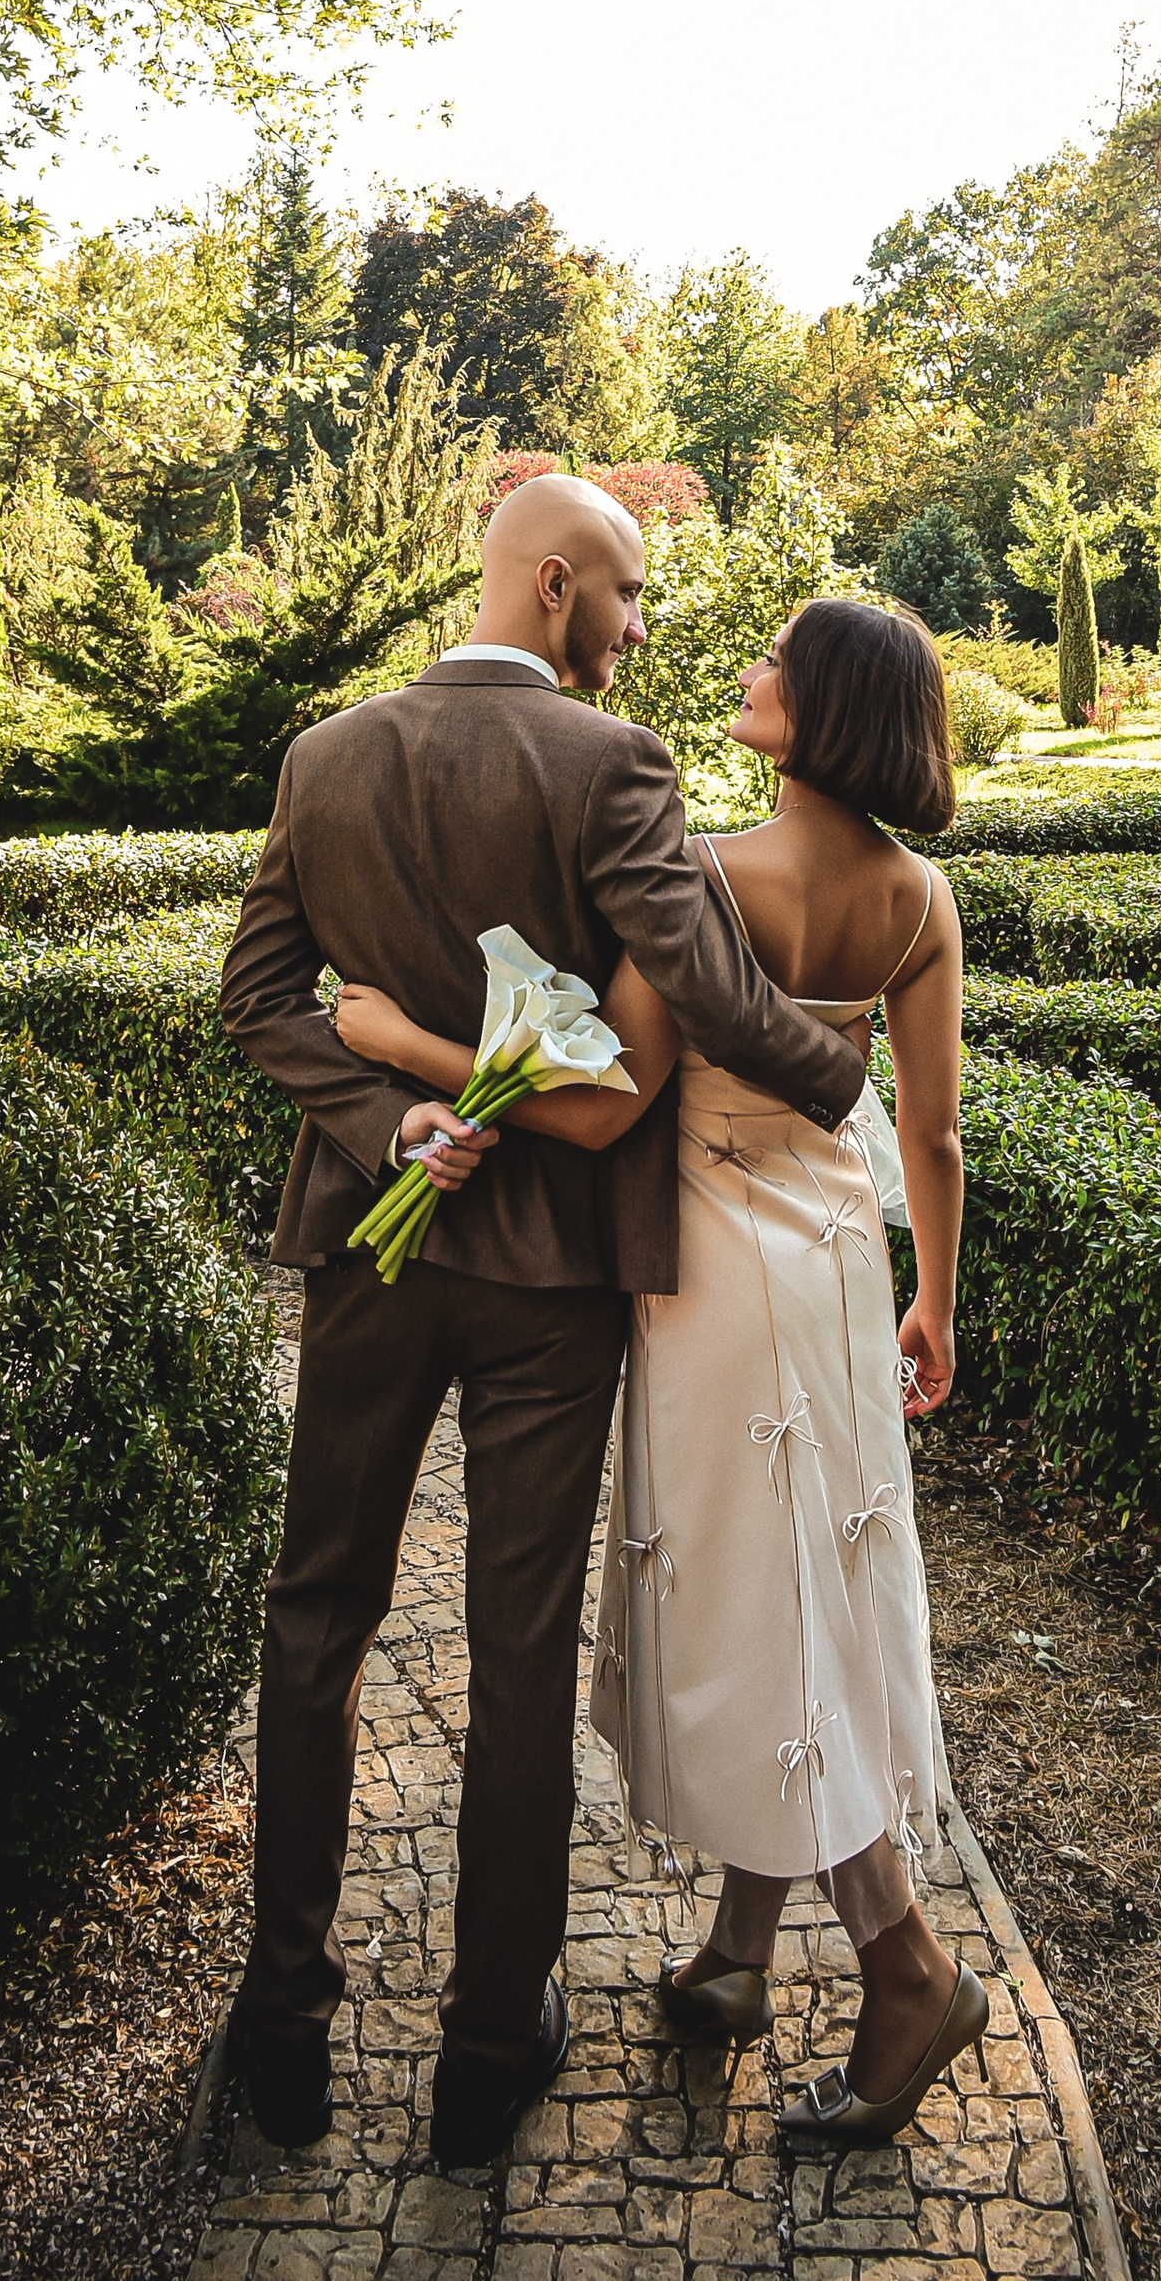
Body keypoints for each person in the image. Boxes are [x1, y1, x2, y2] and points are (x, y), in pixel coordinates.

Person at [217, 474, 866, 2172]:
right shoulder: (611, 764)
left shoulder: (325, 754)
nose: (640, 629)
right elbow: (711, 983)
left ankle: (281, 2025)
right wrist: (834, 1067)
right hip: (552, 1280)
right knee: (517, 1658)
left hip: (372, 1245)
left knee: (317, 1619)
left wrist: (383, 1129)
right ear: (558, 582)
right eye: (632, 595)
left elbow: (256, 997)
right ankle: (487, 2053)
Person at [333, 593, 987, 2143]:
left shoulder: (707, 876)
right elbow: (934, 1135)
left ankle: (906, 1968)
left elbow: (602, 1101)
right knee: (802, 1582)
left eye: (779, 664)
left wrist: (405, 1043)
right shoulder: (920, 899)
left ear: (826, 712)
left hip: (716, 1280)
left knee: (767, 1614)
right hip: (837, 1267)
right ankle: (740, 1954)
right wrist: (935, 1303)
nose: (751, 675)